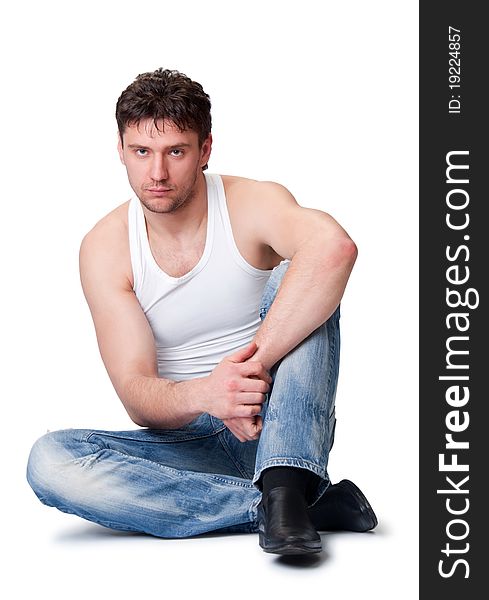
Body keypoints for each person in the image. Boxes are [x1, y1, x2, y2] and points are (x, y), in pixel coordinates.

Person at [26, 68, 377, 556]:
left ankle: (283, 480)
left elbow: (334, 248)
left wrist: (247, 370)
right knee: (50, 461)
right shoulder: (105, 248)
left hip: (277, 419)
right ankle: (287, 506)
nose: (157, 174)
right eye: (141, 152)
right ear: (121, 150)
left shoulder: (252, 202)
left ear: (205, 149)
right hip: (192, 444)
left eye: (176, 151)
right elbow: (136, 394)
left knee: (300, 273)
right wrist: (211, 394)